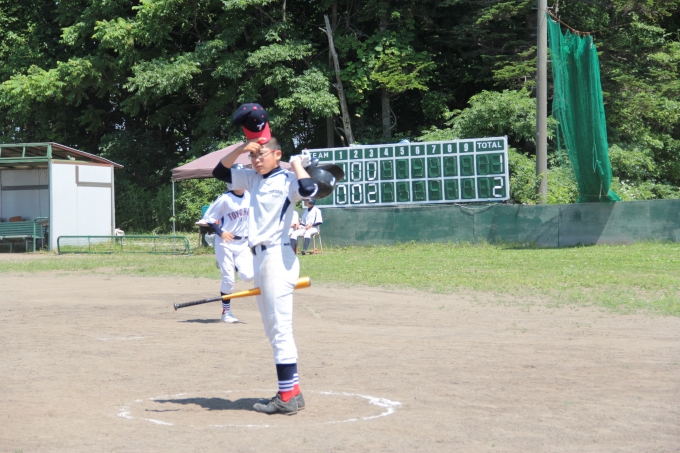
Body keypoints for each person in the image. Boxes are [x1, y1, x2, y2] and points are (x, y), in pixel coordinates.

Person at [212, 103, 316, 415]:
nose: (256, 160)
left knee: (280, 329)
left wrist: (295, 165)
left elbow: (309, 189)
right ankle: (292, 393)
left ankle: (286, 398)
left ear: (277, 154)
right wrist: (242, 147)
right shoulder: (252, 179)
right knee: (273, 329)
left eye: (262, 154)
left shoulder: (287, 180)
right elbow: (219, 172)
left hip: (276, 256)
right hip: (258, 258)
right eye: (253, 156)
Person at [196, 176, 254, 323]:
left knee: (248, 276)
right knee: (229, 280)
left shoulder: (249, 196)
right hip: (225, 243)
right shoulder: (225, 199)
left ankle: (230, 264)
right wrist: (221, 232)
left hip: (243, 243)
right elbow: (209, 218)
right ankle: (226, 312)